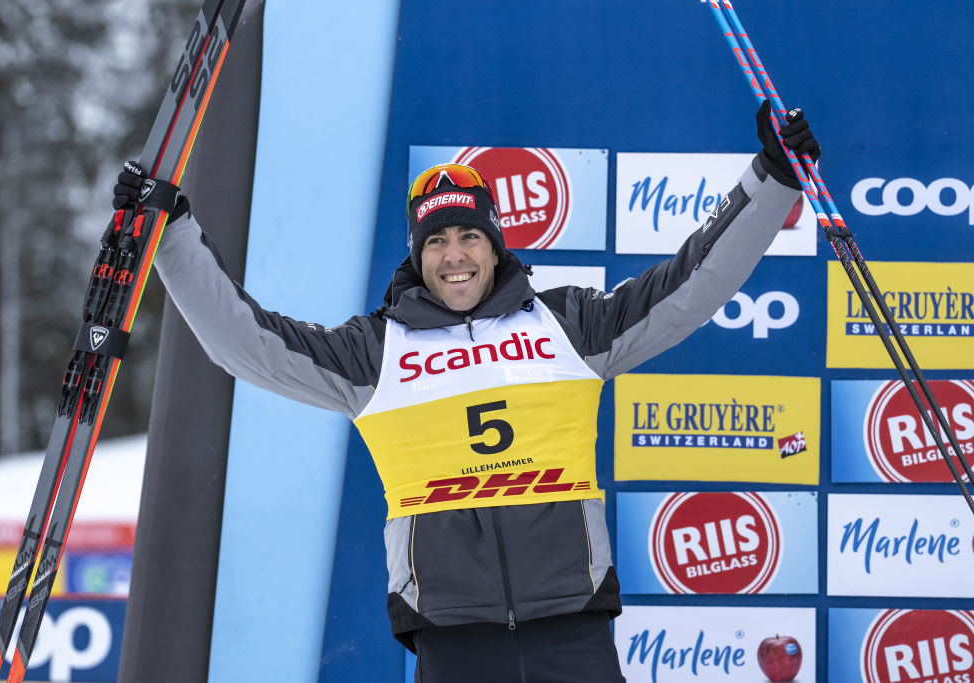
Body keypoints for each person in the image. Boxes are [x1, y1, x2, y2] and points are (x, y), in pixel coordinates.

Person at [114, 100, 820, 682]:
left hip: (572, 635)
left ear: (495, 243)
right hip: (454, 646)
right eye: (436, 241)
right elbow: (247, 341)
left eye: (468, 236)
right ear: (417, 256)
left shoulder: (569, 324)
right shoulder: (376, 350)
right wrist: (171, 233)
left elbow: (691, 285)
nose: (454, 255)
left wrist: (772, 181)